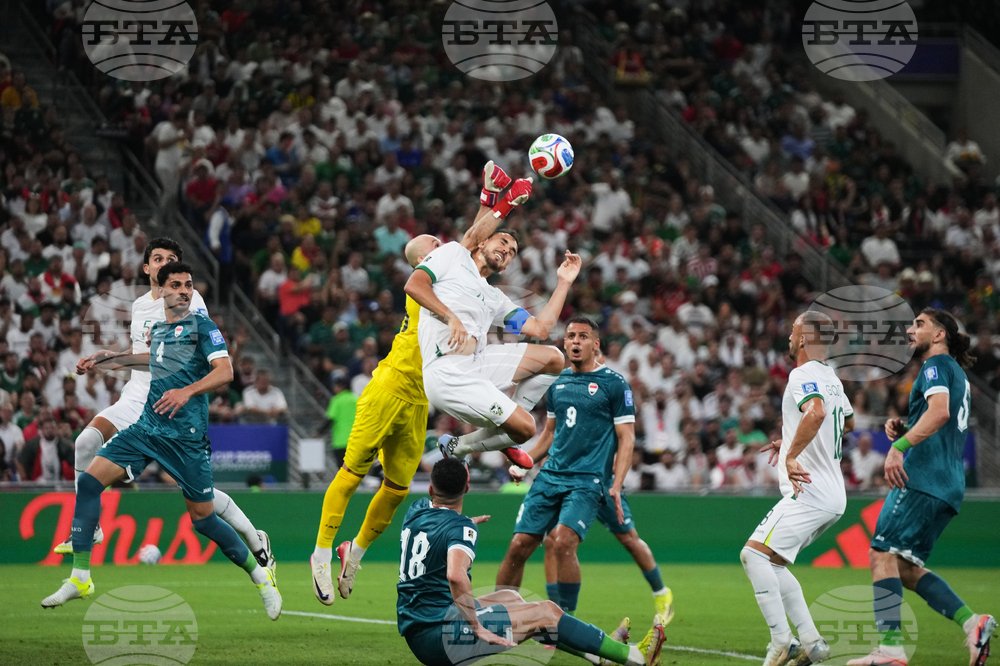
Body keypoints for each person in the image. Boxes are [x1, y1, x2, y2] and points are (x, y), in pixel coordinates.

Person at [310, 162, 527, 605]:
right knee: (351, 473)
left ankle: (355, 552)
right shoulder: (437, 276)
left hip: (418, 401)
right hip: (388, 387)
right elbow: (472, 239)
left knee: (395, 489)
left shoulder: (457, 272)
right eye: (435, 244)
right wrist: (502, 203)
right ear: (426, 256)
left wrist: (489, 196)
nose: (445, 244)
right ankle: (320, 553)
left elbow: (473, 240)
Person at [41, 262, 281, 620]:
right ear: (162, 291)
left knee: (203, 520)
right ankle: (80, 578)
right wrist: (109, 359)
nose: (184, 291)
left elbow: (225, 371)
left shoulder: (203, 326)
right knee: (89, 482)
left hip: (186, 439)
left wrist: (187, 391)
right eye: (176, 285)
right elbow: (151, 361)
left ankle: (260, 577)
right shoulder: (159, 330)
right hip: (147, 429)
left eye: (188, 285)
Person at [397, 457, 666, 666]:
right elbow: (455, 575)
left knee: (511, 598)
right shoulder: (460, 529)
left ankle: (600, 656)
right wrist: (476, 626)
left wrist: (463, 524)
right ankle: (636, 658)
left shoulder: (416, 510)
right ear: (467, 488)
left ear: (431, 489)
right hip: (442, 640)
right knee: (546, 612)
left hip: (421, 631)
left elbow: (438, 523)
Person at [507, 318, 673, 646]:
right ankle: (558, 618)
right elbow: (550, 433)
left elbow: (627, 438)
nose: (575, 341)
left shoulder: (614, 384)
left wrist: (617, 484)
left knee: (629, 539)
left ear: (596, 344)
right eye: (571, 336)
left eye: (583, 336)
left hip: (601, 484)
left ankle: (661, 592)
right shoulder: (558, 382)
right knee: (555, 542)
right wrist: (526, 461)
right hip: (561, 480)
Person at [848, 309, 995, 666]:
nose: (911, 330)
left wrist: (898, 447)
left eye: (919, 324)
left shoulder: (934, 366)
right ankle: (972, 623)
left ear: (940, 334)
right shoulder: (956, 373)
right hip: (948, 483)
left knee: (881, 554)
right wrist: (908, 428)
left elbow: (940, 412)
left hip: (922, 478)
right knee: (904, 568)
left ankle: (890, 650)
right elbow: (942, 420)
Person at [410, 182, 579, 468]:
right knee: (527, 428)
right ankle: (502, 434)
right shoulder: (451, 255)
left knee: (554, 358)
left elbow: (539, 329)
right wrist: (450, 316)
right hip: (447, 373)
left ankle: (476, 441)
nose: (507, 250)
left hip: (477, 363)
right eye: (502, 242)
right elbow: (414, 285)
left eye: (512, 251)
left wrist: (564, 282)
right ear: (482, 243)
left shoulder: (494, 297)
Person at [741, 311, 854, 666]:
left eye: (792, 331)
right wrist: (792, 439)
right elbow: (847, 422)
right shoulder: (831, 377)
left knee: (753, 555)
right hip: (833, 496)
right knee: (773, 565)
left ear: (804, 338)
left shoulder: (801, 374)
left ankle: (781, 642)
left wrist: (791, 455)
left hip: (809, 490)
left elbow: (816, 413)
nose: (789, 337)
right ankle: (811, 642)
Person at [325, 376, 357, 467]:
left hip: (341, 441)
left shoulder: (337, 400)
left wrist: (318, 433)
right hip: (356, 441)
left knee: (343, 469)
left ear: (341, 387)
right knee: (355, 470)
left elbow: (330, 419)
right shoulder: (357, 399)